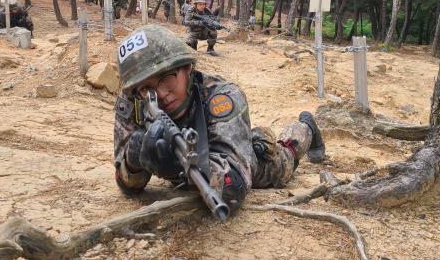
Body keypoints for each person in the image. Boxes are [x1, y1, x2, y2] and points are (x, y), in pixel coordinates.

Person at [113, 25, 325, 214]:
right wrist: (133, 164)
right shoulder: (134, 103)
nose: (160, 94)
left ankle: (306, 126)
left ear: (187, 68)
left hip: (243, 161)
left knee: (282, 161)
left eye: (166, 79)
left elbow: (233, 188)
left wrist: (178, 165)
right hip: (205, 160)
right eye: (147, 89)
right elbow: (128, 186)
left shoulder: (223, 97)